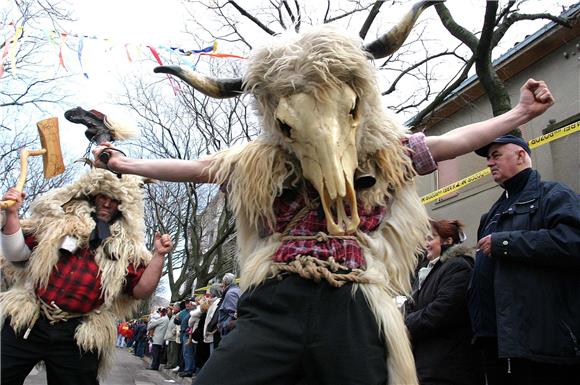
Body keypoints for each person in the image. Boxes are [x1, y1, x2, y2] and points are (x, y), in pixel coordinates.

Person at [91, 76, 554, 385]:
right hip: (275, 300)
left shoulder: (382, 150)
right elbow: (197, 169)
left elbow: (451, 141)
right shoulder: (261, 161)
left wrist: (520, 114)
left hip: (350, 302)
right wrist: (124, 162)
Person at [0, 168, 173, 385]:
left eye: (115, 199)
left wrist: (159, 255)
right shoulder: (58, 223)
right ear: (91, 195)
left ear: (124, 206)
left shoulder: (127, 248)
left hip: (77, 333)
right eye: (103, 196)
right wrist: (12, 214)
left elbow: (142, 290)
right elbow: (17, 254)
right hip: (31, 320)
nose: (108, 203)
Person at [467, 135, 580, 385]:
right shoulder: (491, 214)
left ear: (520, 156)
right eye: (488, 158)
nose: (489, 163)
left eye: (496, 155)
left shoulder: (553, 195)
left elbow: (573, 242)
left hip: (541, 346)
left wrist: (507, 243)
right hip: (497, 343)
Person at [405, 219, 484, 385]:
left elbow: (439, 312)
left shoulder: (458, 267)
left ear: (448, 241)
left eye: (431, 238)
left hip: (449, 368)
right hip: (429, 367)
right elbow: (411, 305)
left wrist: (405, 324)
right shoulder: (428, 271)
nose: (426, 244)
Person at [217, 273, 240, 337]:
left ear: (224, 282)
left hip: (228, 332)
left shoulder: (230, 293)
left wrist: (223, 325)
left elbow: (234, 314)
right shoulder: (236, 290)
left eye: (222, 282)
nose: (221, 284)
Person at [203, 283, 222, 353]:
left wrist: (209, 329)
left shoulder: (217, 302)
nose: (209, 295)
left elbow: (214, 318)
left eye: (210, 292)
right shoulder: (213, 302)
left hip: (213, 335)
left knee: (212, 353)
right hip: (211, 334)